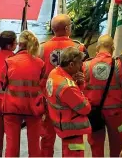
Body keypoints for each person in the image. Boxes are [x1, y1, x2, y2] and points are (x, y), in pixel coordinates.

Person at [39, 14, 87, 157]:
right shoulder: (78, 47)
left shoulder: (42, 48)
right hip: (71, 103)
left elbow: (39, 75)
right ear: (67, 28)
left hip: (49, 101)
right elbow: (85, 74)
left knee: (47, 139)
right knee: (73, 141)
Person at [83, 30, 122, 157]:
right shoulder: (118, 64)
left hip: (94, 113)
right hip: (115, 114)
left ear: (97, 48)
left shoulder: (85, 65)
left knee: (96, 146)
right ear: (112, 48)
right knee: (117, 144)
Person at [2, 30, 46, 157]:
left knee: (11, 146)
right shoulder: (40, 63)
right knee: (34, 145)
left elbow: (2, 83)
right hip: (34, 108)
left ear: (19, 44)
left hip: (12, 108)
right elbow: (41, 84)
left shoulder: (9, 62)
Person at [45, 47, 91, 157]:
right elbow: (86, 108)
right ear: (71, 64)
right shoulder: (67, 87)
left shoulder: (54, 72)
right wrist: (80, 87)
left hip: (62, 125)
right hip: (72, 129)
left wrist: (76, 83)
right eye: (80, 63)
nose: (81, 67)